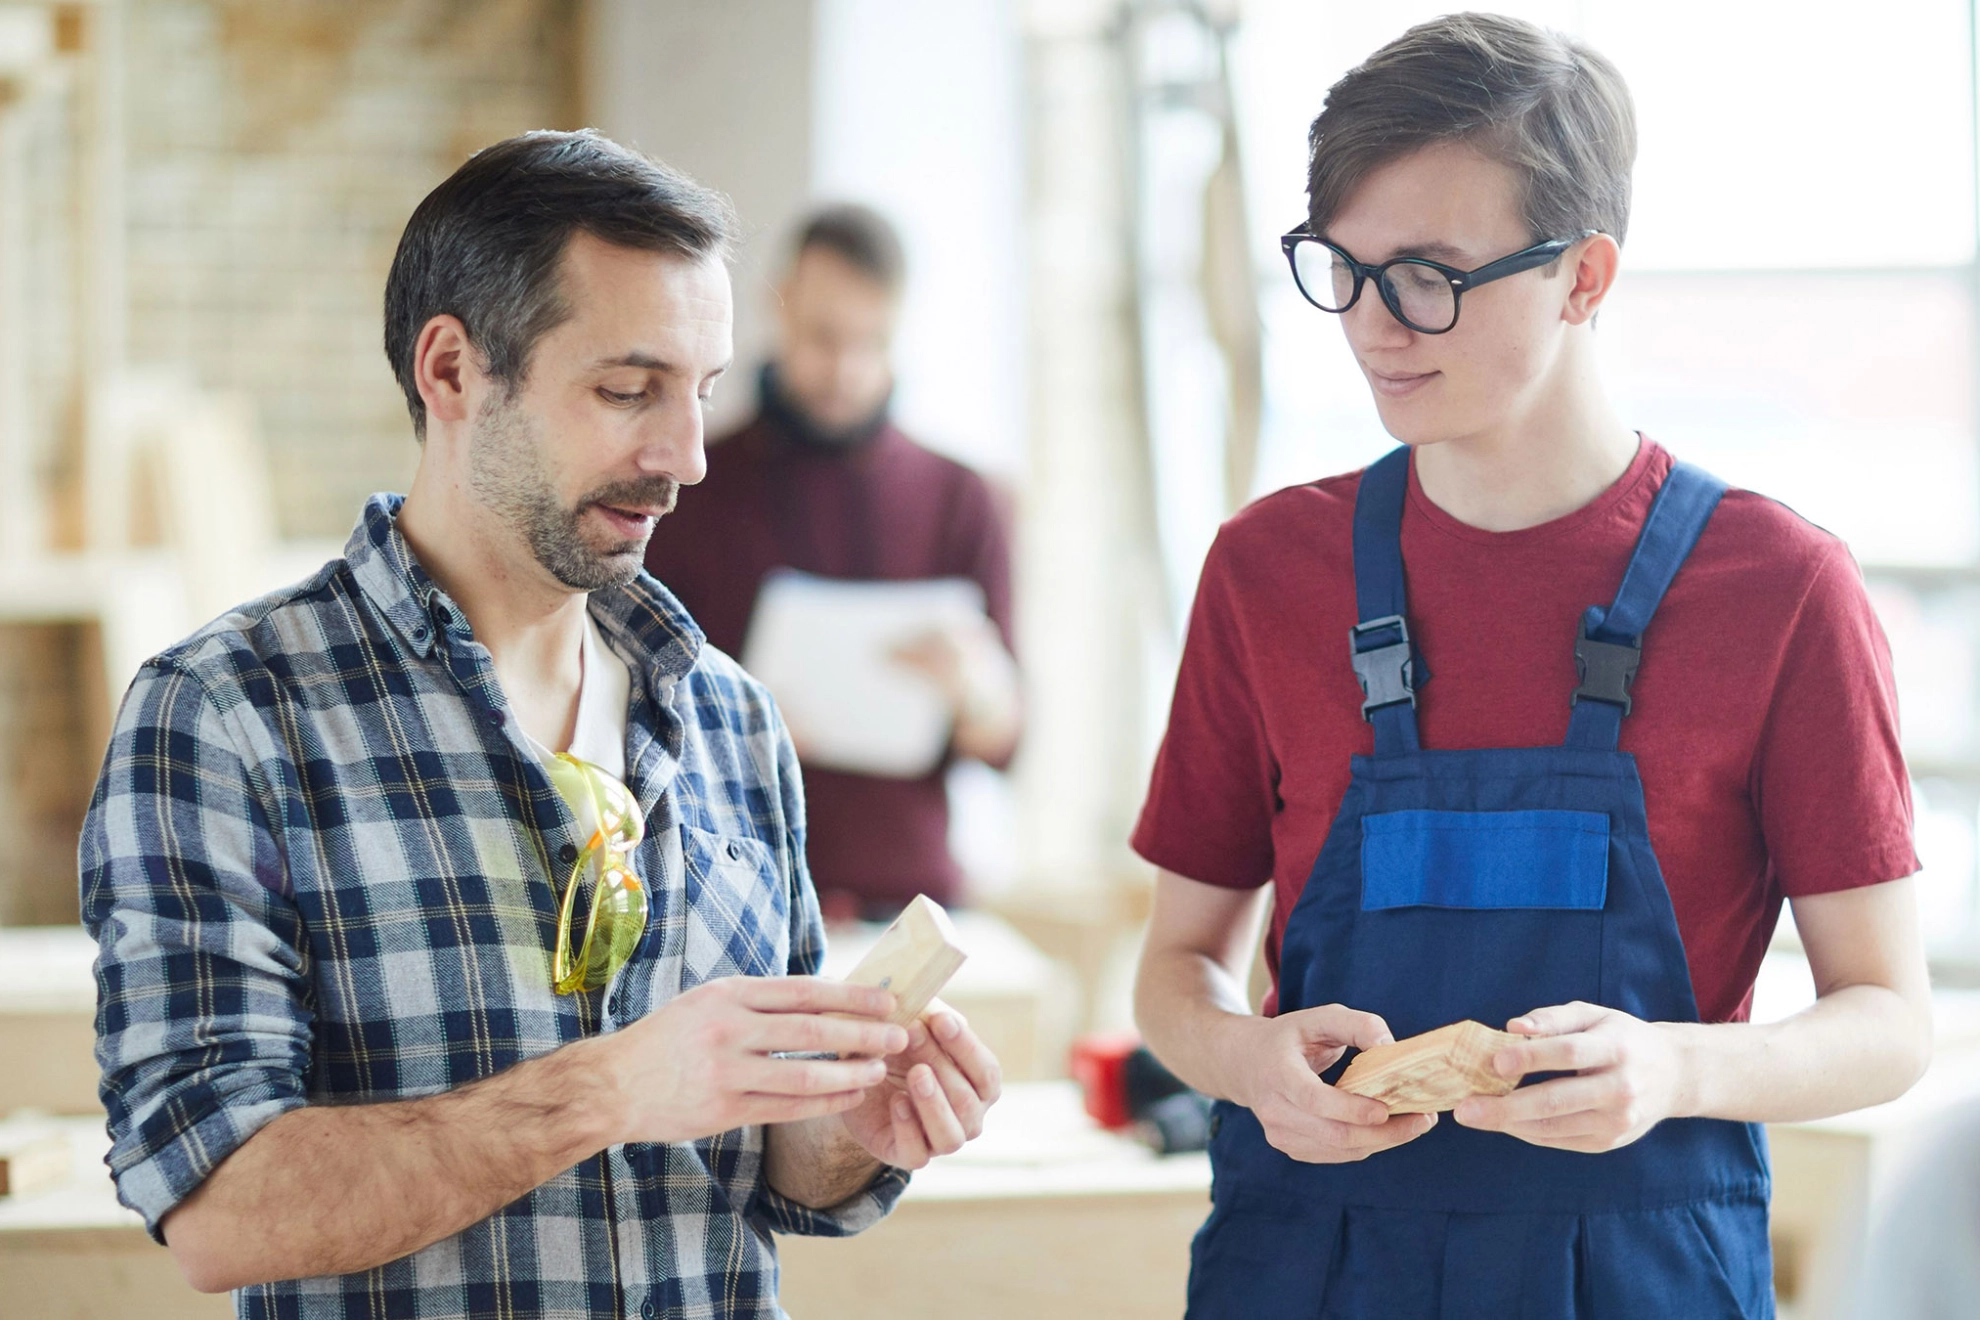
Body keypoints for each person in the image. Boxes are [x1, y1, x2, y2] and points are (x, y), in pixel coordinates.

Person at [79, 130, 1000, 1320]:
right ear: (453, 371)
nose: (687, 458)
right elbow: (216, 1206)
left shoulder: (731, 721)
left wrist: (850, 1130)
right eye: (628, 391)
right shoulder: (226, 719)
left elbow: (769, 1173)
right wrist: (610, 1088)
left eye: (703, 392)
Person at [1129, 14, 1931, 1318]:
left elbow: (1891, 1017)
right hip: (1307, 1265)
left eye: (1432, 274)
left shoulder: (1783, 590)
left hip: (1639, 1271)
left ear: (1585, 275)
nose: (1376, 325)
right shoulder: (1268, 570)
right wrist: (1249, 1060)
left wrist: (1674, 1074)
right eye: (1344, 268)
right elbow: (1174, 974)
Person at [643, 204, 1020, 920]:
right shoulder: (689, 485)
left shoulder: (960, 497)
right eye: (823, 337)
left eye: (871, 342)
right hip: (729, 897)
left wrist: (975, 688)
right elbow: (630, 710)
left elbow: (1006, 744)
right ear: (776, 307)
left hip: (911, 903)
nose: (846, 369)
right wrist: (736, 723)